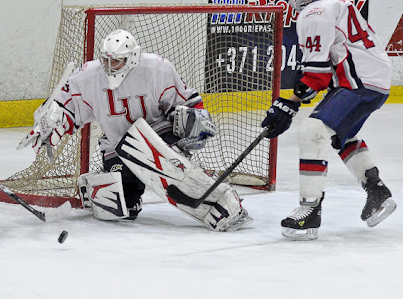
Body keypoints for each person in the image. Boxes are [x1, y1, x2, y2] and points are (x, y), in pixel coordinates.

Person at [21, 29, 252, 231]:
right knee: (120, 208)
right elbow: (66, 108)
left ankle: (220, 202)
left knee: (167, 167)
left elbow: (187, 102)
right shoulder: (87, 76)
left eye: (117, 61)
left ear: (131, 58)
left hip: (157, 135)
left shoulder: (156, 69)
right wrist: (51, 124)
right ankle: (94, 187)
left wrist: (194, 124)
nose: (109, 67)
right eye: (106, 60)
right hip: (116, 146)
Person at [261, 0, 396, 241]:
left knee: (312, 131)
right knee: (340, 135)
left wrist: (288, 104)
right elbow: (318, 71)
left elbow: (317, 77)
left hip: (361, 81)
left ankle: (309, 211)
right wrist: (291, 100)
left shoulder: (316, 11)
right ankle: (377, 191)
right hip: (372, 80)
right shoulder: (335, 5)